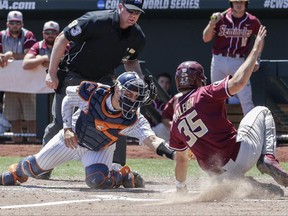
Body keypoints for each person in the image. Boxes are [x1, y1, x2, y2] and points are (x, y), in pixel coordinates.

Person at [0, 72, 175, 188]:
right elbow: (68, 100)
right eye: (129, 94)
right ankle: (16, 172)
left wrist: (173, 153)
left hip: (100, 148)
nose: (132, 99)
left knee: (97, 181)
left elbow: (151, 140)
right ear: (117, 89)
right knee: (31, 168)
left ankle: (118, 174)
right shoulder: (94, 92)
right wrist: (67, 128)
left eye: (137, 96)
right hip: (71, 139)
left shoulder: (134, 117)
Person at [170, 26, 288, 193]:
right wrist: (255, 50)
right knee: (262, 111)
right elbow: (238, 83)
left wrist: (180, 187)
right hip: (239, 155)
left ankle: (245, 186)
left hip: (218, 177)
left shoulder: (175, 120)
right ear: (198, 80)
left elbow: (181, 161)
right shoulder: (204, 93)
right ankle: (268, 158)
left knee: (245, 185)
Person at [44, 0, 147, 146]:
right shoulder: (95, 20)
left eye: (137, 12)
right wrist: (52, 73)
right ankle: (39, 167)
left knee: (118, 121)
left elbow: (131, 60)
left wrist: (139, 80)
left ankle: (116, 167)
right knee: (60, 124)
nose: (133, 15)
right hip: (75, 74)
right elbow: (62, 38)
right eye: (130, 10)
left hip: (103, 79)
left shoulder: (137, 37)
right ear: (119, 6)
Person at [202, 0, 263, 115]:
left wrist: (257, 57)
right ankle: (215, 129)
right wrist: (212, 23)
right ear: (231, 4)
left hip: (239, 61)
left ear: (246, 4)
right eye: (236, 2)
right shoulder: (222, 18)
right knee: (216, 97)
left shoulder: (252, 21)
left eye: (241, 2)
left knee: (246, 98)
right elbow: (206, 38)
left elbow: (261, 37)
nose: (239, 5)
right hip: (219, 60)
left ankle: (251, 129)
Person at [0, 10, 36, 142]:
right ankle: (17, 148)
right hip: (9, 85)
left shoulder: (28, 35)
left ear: (22, 24)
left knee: (31, 120)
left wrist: (10, 54)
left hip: (27, 85)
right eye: (12, 22)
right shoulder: (1, 35)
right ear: (7, 23)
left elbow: (29, 56)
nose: (15, 25)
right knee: (14, 120)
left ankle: (32, 147)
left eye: (17, 23)